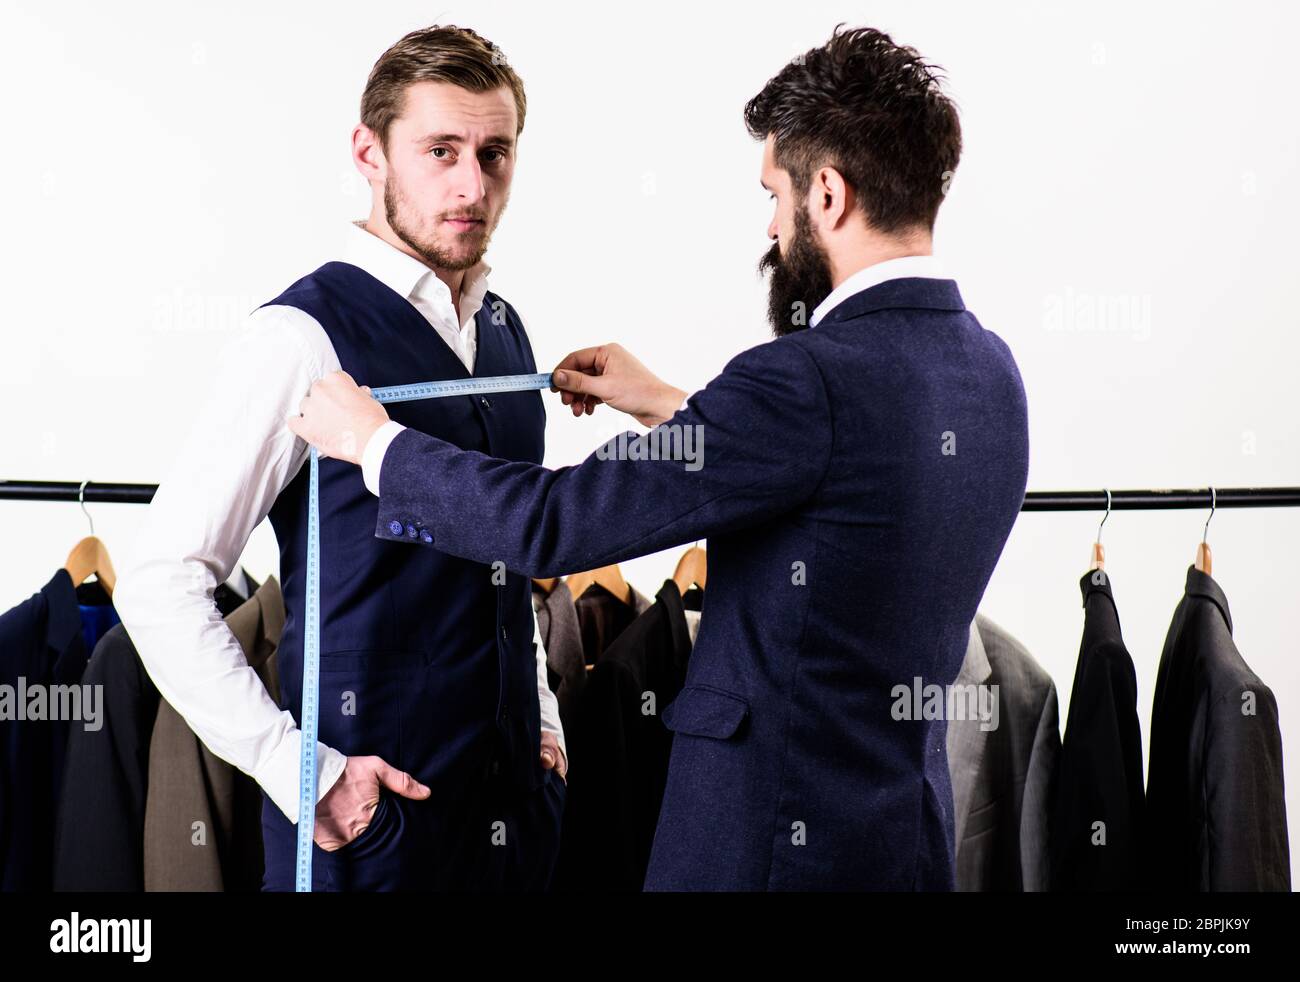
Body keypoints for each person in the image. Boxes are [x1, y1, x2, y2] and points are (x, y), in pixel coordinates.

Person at [292, 25, 1031, 890]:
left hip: (761, 850)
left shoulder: (803, 379)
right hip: (899, 842)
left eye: (776, 194)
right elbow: (847, 486)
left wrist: (374, 445)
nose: (771, 222)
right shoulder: (989, 373)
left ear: (826, 195)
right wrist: (668, 406)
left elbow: (554, 525)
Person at [115, 24, 567, 891]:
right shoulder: (299, 338)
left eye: (494, 153)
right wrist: (301, 772)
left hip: (515, 816)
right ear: (369, 152)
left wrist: (542, 718)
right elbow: (160, 579)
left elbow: (511, 558)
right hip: (368, 827)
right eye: (441, 151)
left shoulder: (507, 333)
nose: (472, 185)